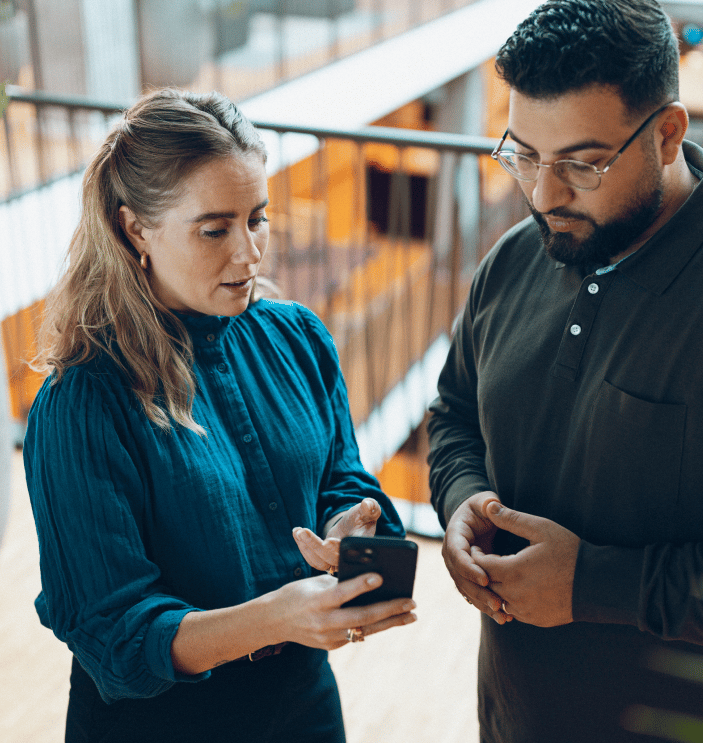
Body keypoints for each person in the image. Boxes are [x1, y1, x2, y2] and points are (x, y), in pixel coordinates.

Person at [427, 0, 703, 743]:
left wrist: (591, 585)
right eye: (523, 155)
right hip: (514, 717)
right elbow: (455, 412)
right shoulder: (515, 256)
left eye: (582, 163)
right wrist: (462, 499)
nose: (544, 192)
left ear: (666, 134)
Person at [23, 88, 416, 743]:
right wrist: (273, 619)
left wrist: (352, 528)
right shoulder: (82, 406)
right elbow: (116, 638)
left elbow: (344, 480)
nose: (249, 253)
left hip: (304, 705)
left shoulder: (298, 337)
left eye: (256, 219)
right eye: (214, 229)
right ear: (133, 229)